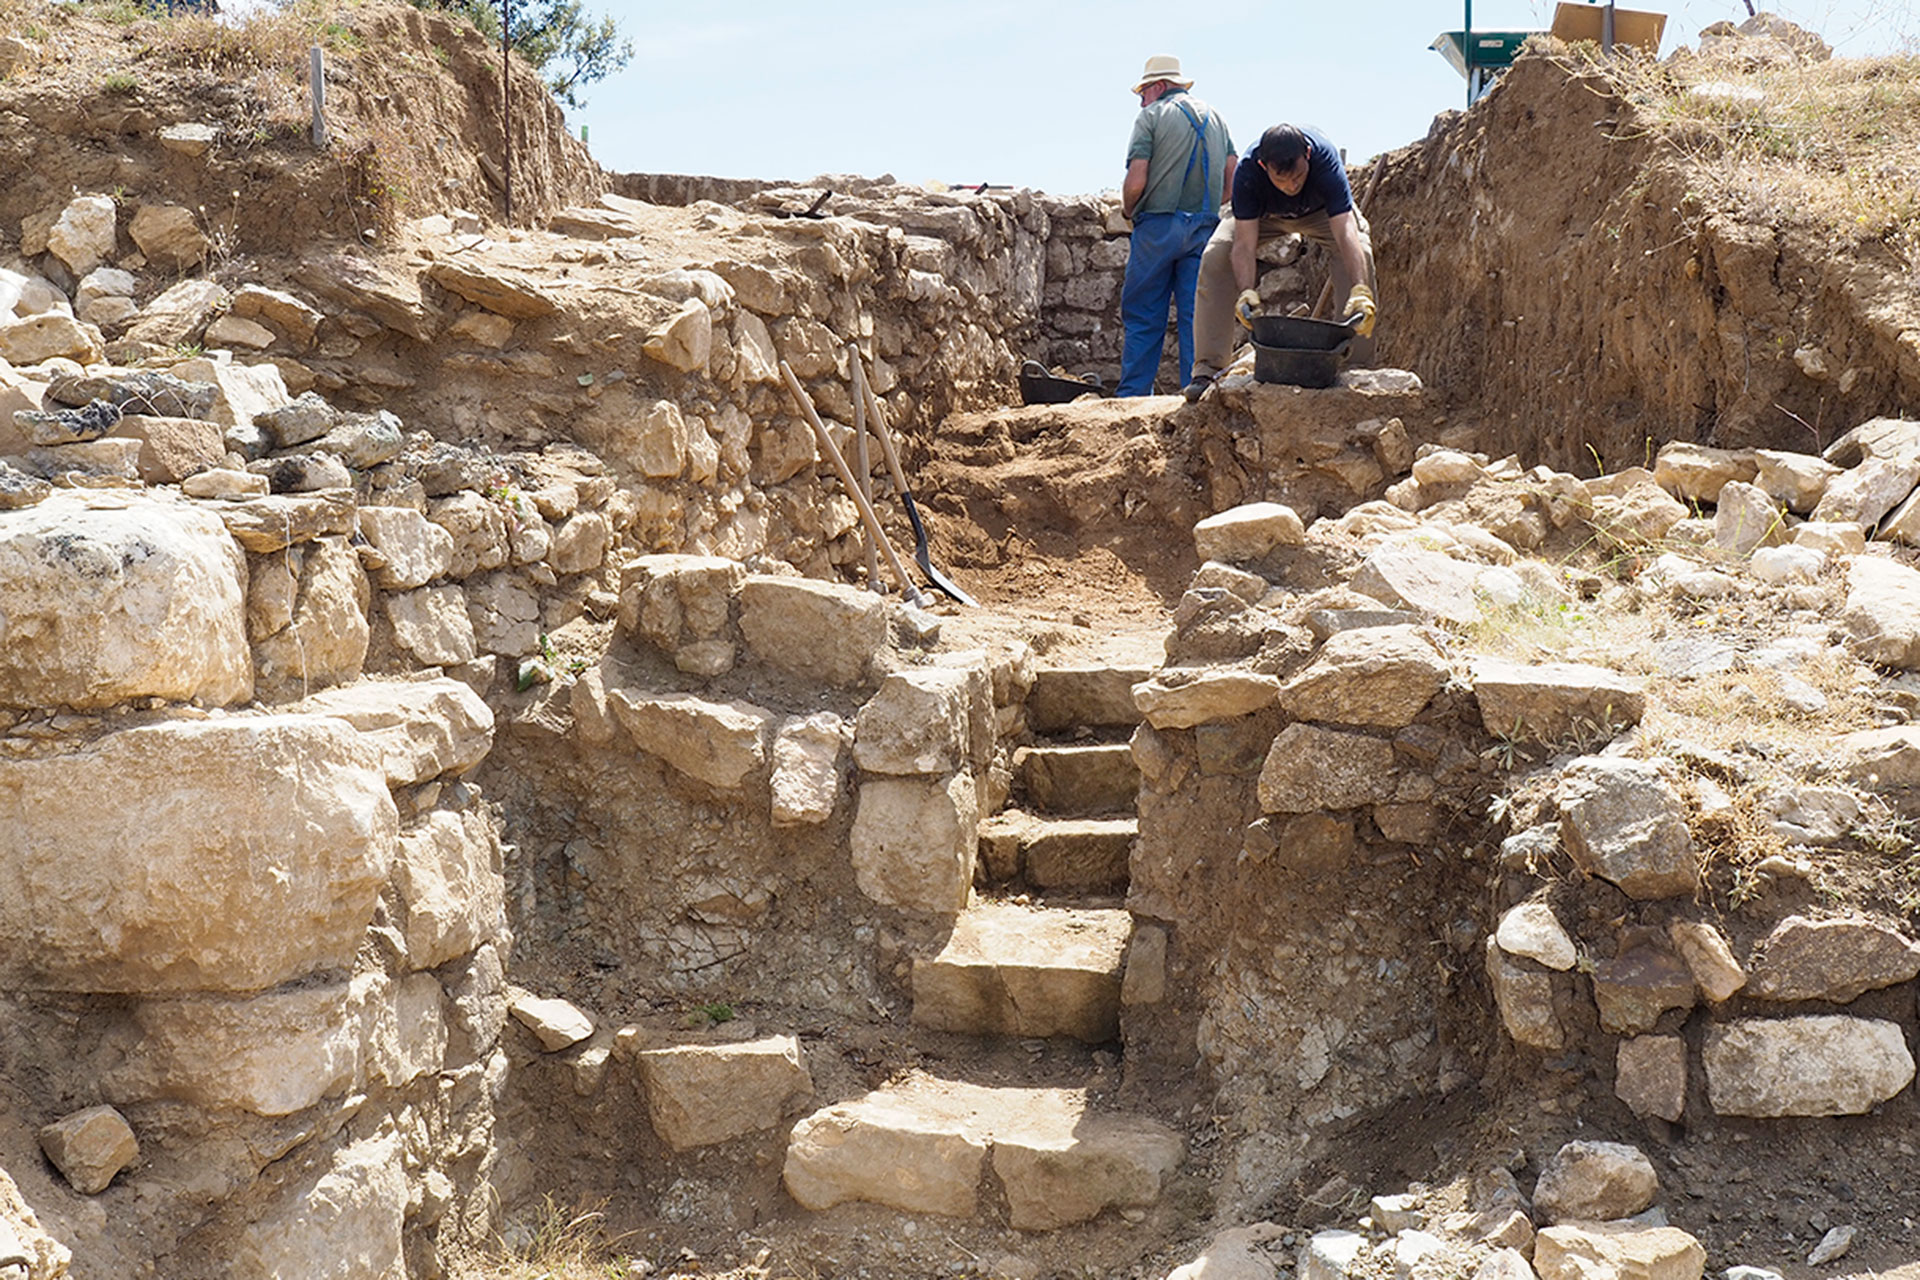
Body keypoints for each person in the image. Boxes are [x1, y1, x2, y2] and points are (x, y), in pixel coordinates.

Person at [1184, 123, 1378, 401]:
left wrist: (1360, 287)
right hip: (1266, 218)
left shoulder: (1325, 160)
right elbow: (1243, 244)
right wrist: (1246, 291)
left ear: (1307, 154)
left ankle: (1355, 367)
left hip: (1320, 214)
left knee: (1361, 250)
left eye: (1298, 177)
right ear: (1264, 166)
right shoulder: (1248, 172)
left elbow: (1344, 229)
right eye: (1281, 180)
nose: (1291, 186)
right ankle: (1208, 370)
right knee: (1216, 255)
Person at [1116, 55, 1236, 398]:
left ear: (1158, 86)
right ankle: (1196, 395)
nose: (1141, 101)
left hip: (1157, 226)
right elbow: (1232, 180)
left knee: (1143, 313)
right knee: (1197, 316)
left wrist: (1128, 210)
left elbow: (1136, 181)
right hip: (1204, 228)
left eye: (1143, 92)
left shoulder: (1151, 117)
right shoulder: (1217, 118)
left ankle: (1133, 396)